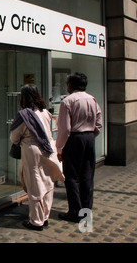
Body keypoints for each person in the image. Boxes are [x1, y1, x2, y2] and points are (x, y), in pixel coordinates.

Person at [10, 84, 65, 231]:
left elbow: (14, 136)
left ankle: (36, 220)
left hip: (32, 151)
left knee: (34, 183)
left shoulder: (24, 114)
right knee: (47, 183)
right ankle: (45, 216)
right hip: (48, 149)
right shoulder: (45, 111)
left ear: (24, 97)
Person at [56, 72, 102, 223]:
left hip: (74, 139)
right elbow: (99, 123)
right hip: (89, 138)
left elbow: (64, 128)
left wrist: (60, 148)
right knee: (87, 176)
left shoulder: (68, 101)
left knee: (72, 177)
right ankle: (86, 211)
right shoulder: (92, 99)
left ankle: (75, 212)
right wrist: (90, 135)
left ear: (71, 85)